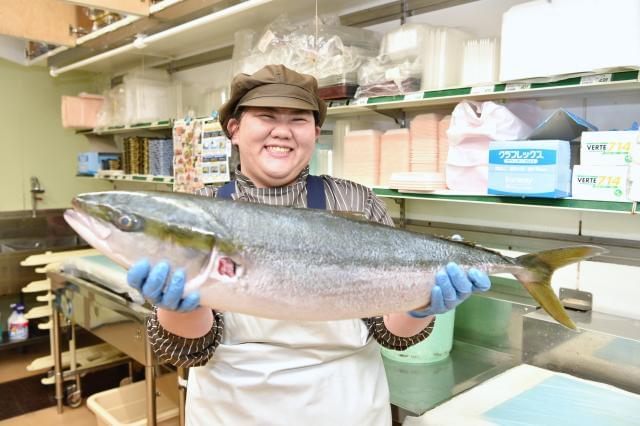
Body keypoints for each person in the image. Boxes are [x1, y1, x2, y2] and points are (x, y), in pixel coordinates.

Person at [127, 65, 491, 426]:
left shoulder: (354, 201)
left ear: (316, 133)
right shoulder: (197, 211)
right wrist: (176, 308)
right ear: (234, 129)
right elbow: (187, 351)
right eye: (266, 116)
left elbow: (390, 333)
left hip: (345, 407)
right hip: (233, 410)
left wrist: (418, 308)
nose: (282, 131)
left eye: (299, 119)